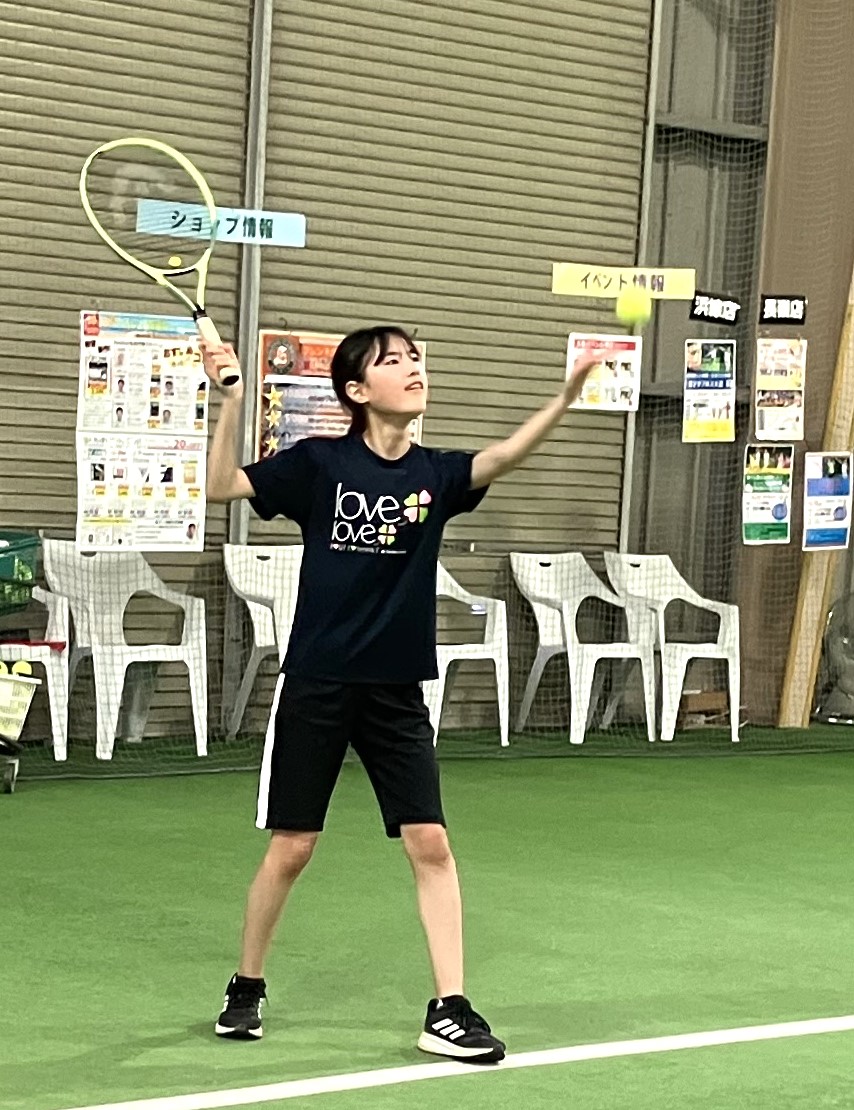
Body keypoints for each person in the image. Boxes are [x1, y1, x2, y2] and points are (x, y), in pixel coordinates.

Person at [202, 325, 615, 1063]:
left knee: (431, 841)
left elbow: (505, 456)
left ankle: (449, 1009)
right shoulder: (319, 464)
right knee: (293, 847)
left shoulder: (436, 474)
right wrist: (229, 398)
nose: (412, 369)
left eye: (416, 358)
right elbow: (221, 486)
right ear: (358, 390)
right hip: (319, 683)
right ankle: (247, 983)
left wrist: (566, 397)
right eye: (392, 362)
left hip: (397, 692)